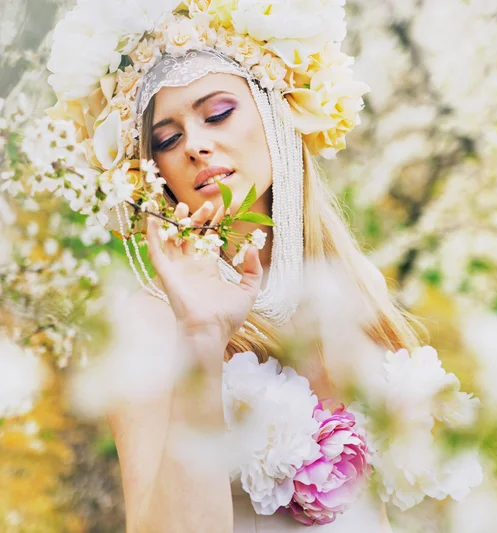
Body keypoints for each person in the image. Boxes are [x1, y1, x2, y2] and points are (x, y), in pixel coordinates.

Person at [46, 2, 431, 531]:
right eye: (168, 138)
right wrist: (202, 340)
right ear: (154, 170)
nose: (197, 145)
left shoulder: (353, 283)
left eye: (218, 112)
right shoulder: (147, 324)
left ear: (273, 113)